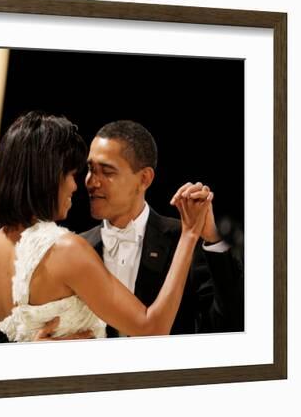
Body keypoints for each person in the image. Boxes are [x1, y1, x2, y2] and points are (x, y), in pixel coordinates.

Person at [0, 111, 212, 344]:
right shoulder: (67, 249)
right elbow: (152, 328)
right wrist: (189, 234)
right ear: (47, 177)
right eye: (71, 174)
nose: (77, 186)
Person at [62, 120, 243, 338]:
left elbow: (228, 322)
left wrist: (213, 238)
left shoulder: (184, 238)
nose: (92, 182)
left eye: (107, 171)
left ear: (144, 178)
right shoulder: (77, 248)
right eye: (90, 169)